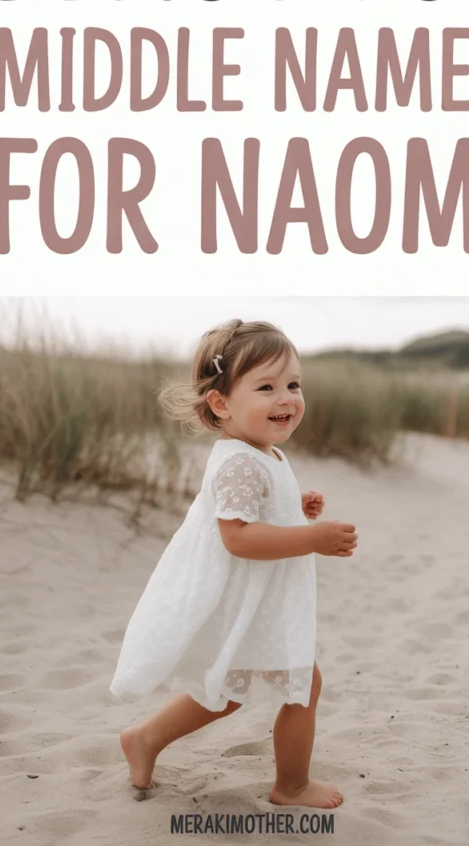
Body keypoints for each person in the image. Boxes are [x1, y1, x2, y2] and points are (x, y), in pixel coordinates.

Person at [109, 319, 358, 809]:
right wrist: (311, 537)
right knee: (300, 685)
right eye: (266, 387)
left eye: (293, 385)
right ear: (221, 403)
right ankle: (291, 786)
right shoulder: (241, 462)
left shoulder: (262, 453)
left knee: (229, 690)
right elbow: (237, 537)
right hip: (245, 598)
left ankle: (145, 738)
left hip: (258, 597)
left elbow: (254, 511)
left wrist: (294, 508)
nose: (286, 398)